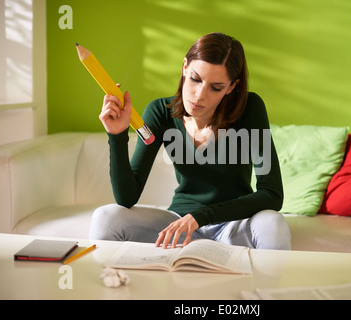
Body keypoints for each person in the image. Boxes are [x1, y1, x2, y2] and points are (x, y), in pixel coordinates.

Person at [89, 32, 291, 250]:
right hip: (178, 223)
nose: (199, 95)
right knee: (106, 217)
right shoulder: (159, 112)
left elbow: (272, 195)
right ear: (185, 67)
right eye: (195, 79)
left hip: (232, 224)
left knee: (273, 222)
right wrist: (117, 135)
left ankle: (261, 287)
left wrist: (200, 216)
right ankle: (113, 283)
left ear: (232, 87)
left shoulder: (250, 108)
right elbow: (126, 197)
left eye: (216, 87)